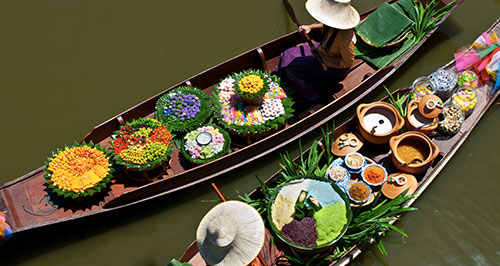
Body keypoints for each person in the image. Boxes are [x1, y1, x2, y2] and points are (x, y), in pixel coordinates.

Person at [277, 0, 360, 117]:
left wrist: (324, 59)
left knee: (293, 71)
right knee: (287, 54)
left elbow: (347, 62)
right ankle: (282, 76)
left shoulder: (346, 40)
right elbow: (324, 24)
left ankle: (315, 101)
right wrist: (310, 27)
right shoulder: (332, 24)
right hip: (323, 50)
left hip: (334, 67)